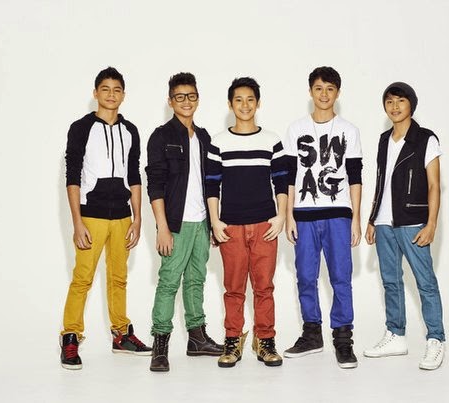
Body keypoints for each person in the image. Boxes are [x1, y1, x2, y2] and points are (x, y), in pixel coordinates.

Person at [60, 67, 151, 370]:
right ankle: (70, 337)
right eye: (105, 89)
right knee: (83, 279)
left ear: (123, 95)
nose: (111, 94)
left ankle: (121, 335)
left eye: (117, 89)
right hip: (91, 216)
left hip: (122, 217)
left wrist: (137, 218)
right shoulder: (81, 128)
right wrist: (77, 222)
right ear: (95, 93)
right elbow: (72, 175)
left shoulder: (131, 131)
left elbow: (134, 176)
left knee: (118, 278)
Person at [283, 66, 363, 369]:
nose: (324, 94)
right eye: (319, 88)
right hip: (304, 214)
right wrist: (288, 215)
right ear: (310, 92)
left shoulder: (349, 130)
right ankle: (312, 334)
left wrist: (356, 218)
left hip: (338, 215)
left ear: (338, 93)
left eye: (330, 89)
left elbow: (355, 176)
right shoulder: (296, 129)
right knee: (305, 276)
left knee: (341, 277)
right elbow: (289, 176)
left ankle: (343, 339)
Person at [363, 82, 446, 370]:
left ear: (411, 104)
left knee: (425, 283)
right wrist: (372, 218)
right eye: (389, 101)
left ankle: (436, 339)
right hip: (384, 223)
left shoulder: (425, 139)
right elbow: (381, 181)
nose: (395, 106)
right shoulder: (384, 139)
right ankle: (396, 335)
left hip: (412, 221)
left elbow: (434, 185)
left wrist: (431, 223)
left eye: (400, 100)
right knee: (390, 281)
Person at [206, 77, 288, 368]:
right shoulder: (218, 141)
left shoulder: (272, 140)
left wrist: (281, 216)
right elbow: (211, 185)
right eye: (238, 100)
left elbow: (281, 182)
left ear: (258, 103)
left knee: (264, 287)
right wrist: (215, 221)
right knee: (234, 288)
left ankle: (265, 340)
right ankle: (233, 339)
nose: (244, 105)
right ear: (230, 105)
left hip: (265, 225)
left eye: (250, 99)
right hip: (231, 227)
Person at [145, 72, 223, 372]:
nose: (186, 101)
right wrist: (163, 227)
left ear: (197, 99)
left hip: (201, 222)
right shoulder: (161, 137)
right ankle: (160, 345)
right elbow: (155, 185)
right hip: (176, 224)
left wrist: (213, 223)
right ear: (170, 101)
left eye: (191, 96)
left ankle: (197, 338)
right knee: (168, 282)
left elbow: (212, 183)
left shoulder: (204, 137)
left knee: (195, 280)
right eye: (180, 97)